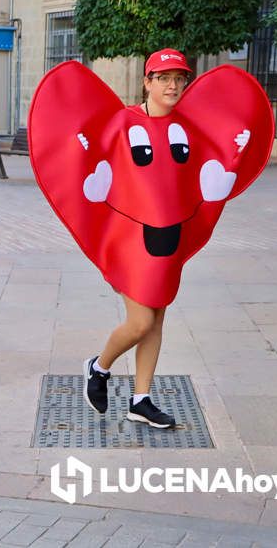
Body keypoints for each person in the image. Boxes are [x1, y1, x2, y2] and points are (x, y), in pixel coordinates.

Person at [82, 49, 194, 429]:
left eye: (179, 78)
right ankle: (99, 367)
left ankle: (141, 399)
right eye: (164, 78)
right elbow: (89, 156)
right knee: (141, 321)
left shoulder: (187, 127)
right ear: (147, 82)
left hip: (169, 236)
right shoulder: (122, 122)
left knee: (158, 317)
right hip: (131, 239)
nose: (173, 85)